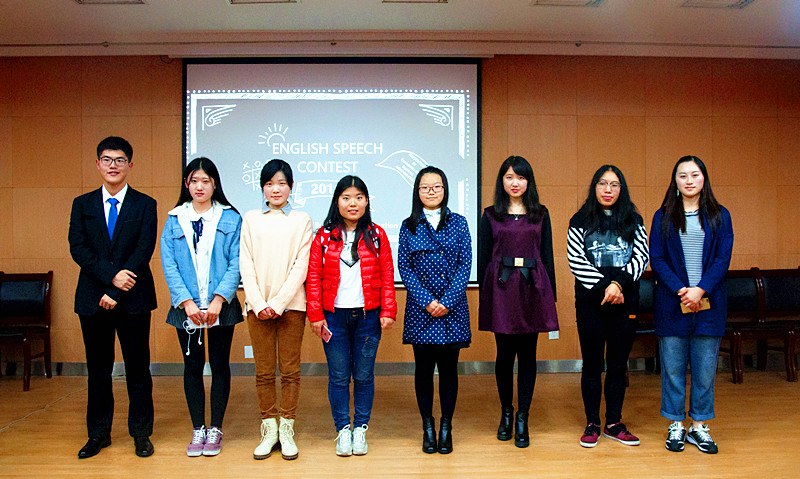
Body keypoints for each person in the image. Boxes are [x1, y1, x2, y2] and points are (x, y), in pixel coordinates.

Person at [68, 136, 157, 459]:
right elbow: (78, 248)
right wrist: (110, 279)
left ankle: (141, 434)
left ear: (129, 165)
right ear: (97, 164)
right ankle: (98, 434)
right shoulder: (82, 204)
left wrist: (118, 289)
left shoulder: (145, 204)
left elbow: (143, 249)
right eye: (107, 160)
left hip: (133, 300)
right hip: (93, 299)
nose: (113, 166)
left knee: (138, 369)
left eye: (119, 160)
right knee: (98, 370)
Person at [306, 175, 397, 457]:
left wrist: (388, 310)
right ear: (337, 201)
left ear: (366, 201)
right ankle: (343, 429)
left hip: (368, 317)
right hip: (333, 318)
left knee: (364, 375)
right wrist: (315, 314)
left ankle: (360, 429)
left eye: (358, 197)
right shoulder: (323, 236)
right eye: (346, 198)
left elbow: (387, 274)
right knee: (338, 376)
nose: (352, 203)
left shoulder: (377, 235)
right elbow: (313, 276)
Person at [650, 155, 733, 455]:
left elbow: (723, 258)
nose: (689, 180)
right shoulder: (662, 216)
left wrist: (700, 290)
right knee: (673, 370)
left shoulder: (720, 215)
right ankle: (676, 424)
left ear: (704, 179)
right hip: (673, 303)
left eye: (695, 175)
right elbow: (657, 258)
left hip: (710, 303)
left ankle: (699, 426)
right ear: (675, 181)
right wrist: (682, 290)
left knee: (704, 371)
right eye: (682, 175)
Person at [160, 157, 242, 457]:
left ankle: (216, 427)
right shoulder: (174, 219)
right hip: (187, 307)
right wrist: (186, 302)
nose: (199, 186)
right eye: (194, 181)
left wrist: (219, 299)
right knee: (193, 367)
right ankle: (198, 428)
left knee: (219, 366)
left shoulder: (231, 218)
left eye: (205, 181)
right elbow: (169, 264)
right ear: (186, 184)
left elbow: (237, 262)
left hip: (222, 305)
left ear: (214, 184)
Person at [478, 155, 558, 449]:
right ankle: (506, 413)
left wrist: (550, 300)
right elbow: (483, 259)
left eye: (521, 177)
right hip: (501, 290)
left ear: (529, 182)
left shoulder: (541, 214)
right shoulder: (490, 215)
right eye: (509, 177)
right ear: (502, 181)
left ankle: (523, 416)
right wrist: (487, 297)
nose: (515, 183)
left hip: (532, 289)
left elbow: (547, 257)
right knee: (503, 355)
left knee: (528, 355)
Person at [567, 165, 649, 448]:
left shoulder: (634, 220)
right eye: (603, 183)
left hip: (625, 303)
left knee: (617, 365)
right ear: (595, 187)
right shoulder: (580, 219)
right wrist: (608, 287)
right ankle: (592, 423)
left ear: (621, 189)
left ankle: (614, 422)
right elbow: (576, 260)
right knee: (592, 364)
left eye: (614, 185)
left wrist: (618, 285)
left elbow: (641, 257)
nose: (608, 190)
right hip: (591, 304)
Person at [240, 159, 313, 461]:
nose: (276, 189)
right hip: (257, 308)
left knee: (291, 372)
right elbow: (246, 263)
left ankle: (287, 428)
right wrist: (260, 304)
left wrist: (279, 303)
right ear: (263, 187)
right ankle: (269, 428)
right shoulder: (251, 218)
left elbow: (301, 266)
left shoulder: (301, 219)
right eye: (270, 183)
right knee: (264, 371)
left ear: (291, 187)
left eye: (282, 183)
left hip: (292, 307)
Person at [398, 167, 472, 455]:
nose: (431, 192)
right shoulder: (409, 225)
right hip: (421, 311)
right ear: (417, 192)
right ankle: (427, 427)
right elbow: (405, 267)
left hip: (452, 310)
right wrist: (428, 301)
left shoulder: (459, 223)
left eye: (436, 186)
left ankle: (446, 427)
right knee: (424, 371)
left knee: (450, 372)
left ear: (445, 189)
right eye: (425, 187)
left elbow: (465, 265)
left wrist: (447, 301)